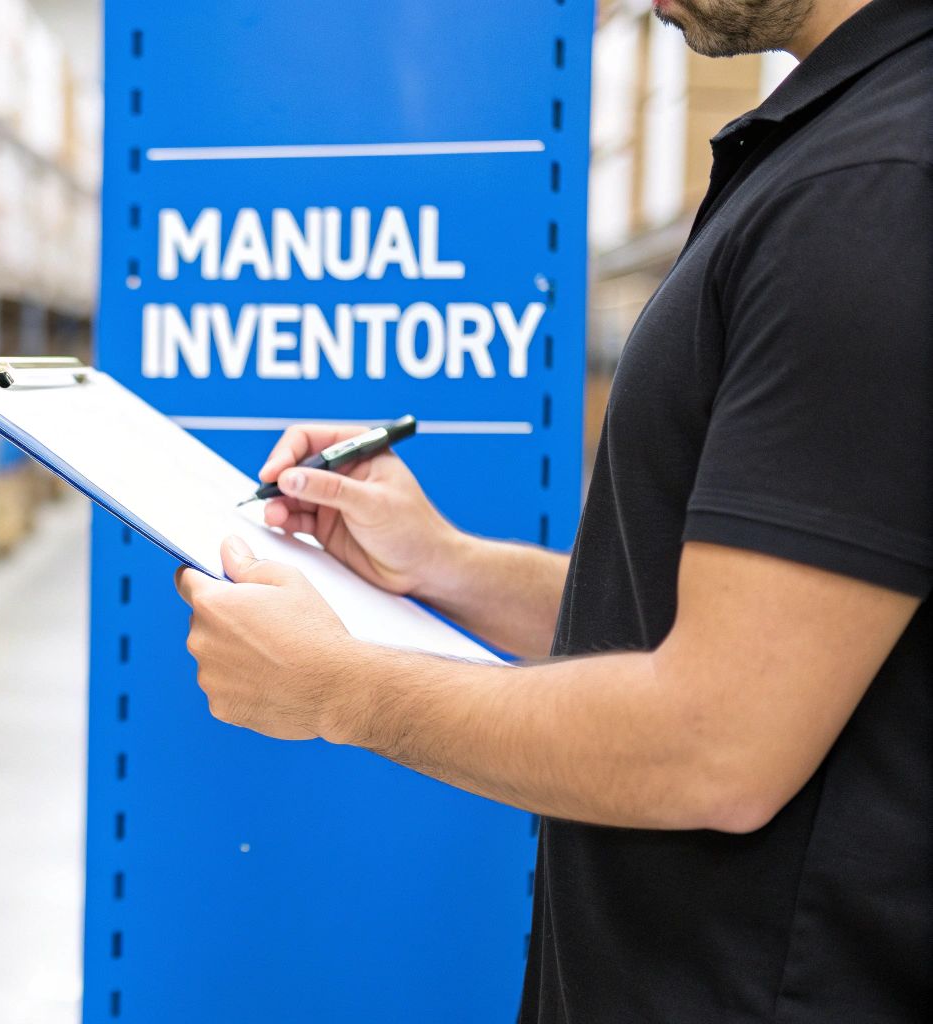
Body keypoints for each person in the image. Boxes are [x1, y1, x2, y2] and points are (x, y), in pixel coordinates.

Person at [174, 0, 932, 1019]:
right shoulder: (834, 148)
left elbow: (717, 743)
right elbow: (712, 626)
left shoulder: (871, 189)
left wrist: (337, 691)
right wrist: (440, 563)